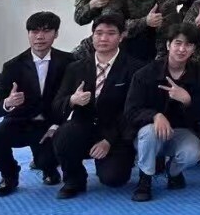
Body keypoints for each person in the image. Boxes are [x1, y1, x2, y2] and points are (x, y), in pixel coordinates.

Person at [52, 14, 144, 199]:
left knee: (114, 179)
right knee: (64, 134)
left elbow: (132, 112)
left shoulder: (135, 69)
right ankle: (74, 179)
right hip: (83, 126)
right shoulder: (76, 68)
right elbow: (57, 105)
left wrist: (108, 140)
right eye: (99, 33)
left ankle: (113, 160)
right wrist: (72, 100)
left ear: (121, 36)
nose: (103, 38)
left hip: (116, 132)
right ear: (92, 35)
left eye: (111, 33)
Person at [125, 23, 200, 202]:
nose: (182, 49)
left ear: (194, 49)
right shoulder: (145, 74)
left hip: (181, 132)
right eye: (177, 43)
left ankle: (173, 171)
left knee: (193, 152)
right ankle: (145, 179)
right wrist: (155, 116)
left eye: (188, 45)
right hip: (149, 134)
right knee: (149, 132)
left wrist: (188, 100)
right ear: (168, 45)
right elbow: (131, 111)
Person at [0, 12, 72, 196]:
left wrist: (57, 125)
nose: (39, 36)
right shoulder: (12, 66)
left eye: (46, 31)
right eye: (34, 31)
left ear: (56, 34)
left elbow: (71, 100)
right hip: (21, 121)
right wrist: (8, 103)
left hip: (52, 123)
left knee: (48, 160)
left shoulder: (69, 62)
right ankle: (9, 176)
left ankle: (48, 167)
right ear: (28, 34)